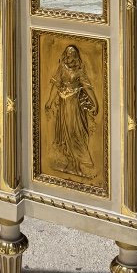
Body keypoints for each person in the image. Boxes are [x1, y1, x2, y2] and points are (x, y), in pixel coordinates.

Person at [45, 44, 99, 177]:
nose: (70, 57)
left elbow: (88, 88)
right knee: (65, 133)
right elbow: (56, 86)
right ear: (65, 55)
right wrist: (49, 101)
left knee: (76, 133)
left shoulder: (80, 71)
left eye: (73, 54)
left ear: (76, 56)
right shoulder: (62, 69)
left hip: (75, 107)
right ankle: (71, 164)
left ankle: (77, 165)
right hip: (64, 106)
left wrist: (95, 104)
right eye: (68, 54)